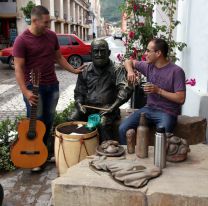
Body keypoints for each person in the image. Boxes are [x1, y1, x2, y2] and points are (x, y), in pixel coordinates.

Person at [13, 5, 84, 171]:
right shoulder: (21, 40)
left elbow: (59, 58)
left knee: (49, 120)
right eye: (45, 23)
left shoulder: (51, 36)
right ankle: (34, 156)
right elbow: (18, 68)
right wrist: (25, 91)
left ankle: (43, 151)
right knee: (36, 122)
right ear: (35, 20)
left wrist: (74, 71)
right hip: (33, 88)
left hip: (52, 86)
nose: (48, 26)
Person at [119, 38, 186, 144]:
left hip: (167, 112)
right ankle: (128, 158)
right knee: (123, 128)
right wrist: (130, 71)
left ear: (158, 53)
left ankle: (158, 159)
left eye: (148, 51)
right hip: (149, 109)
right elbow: (128, 61)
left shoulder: (176, 71)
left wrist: (158, 91)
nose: (146, 54)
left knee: (161, 137)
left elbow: (181, 98)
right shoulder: (149, 66)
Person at [70, 39, 133, 142]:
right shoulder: (85, 70)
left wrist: (113, 107)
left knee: (103, 123)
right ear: (91, 54)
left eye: (102, 51)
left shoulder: (117, 69)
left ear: (108, 53)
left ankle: (106, 148)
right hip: (87, 108)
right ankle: (76, 148)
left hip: (108, 109)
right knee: (72, 119)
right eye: (96, 51)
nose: (99, 54)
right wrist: (79, 104)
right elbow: (79, 92)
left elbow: (125, 89)